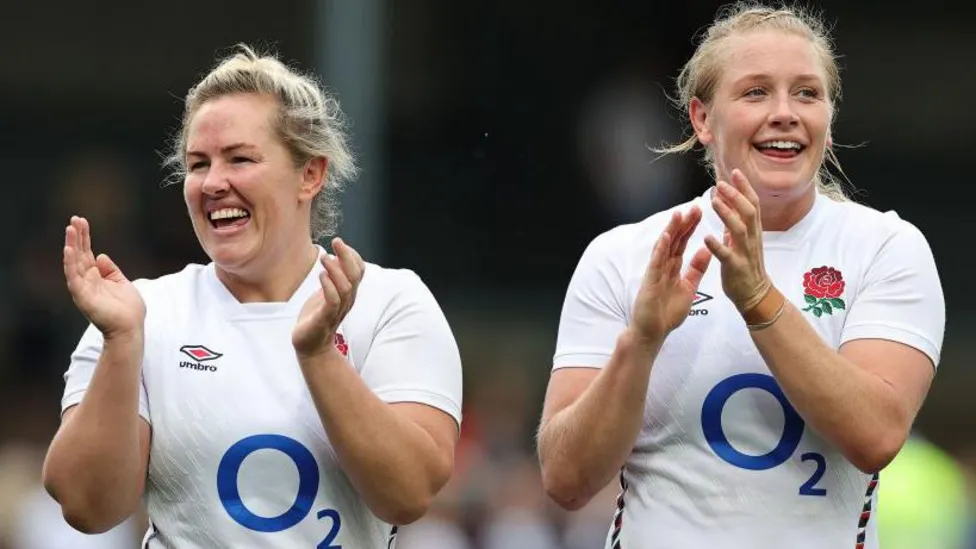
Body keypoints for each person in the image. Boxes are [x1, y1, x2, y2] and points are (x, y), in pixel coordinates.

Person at [536, 3, 945, 548]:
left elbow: (876, 434)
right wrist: (641, 343)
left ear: (828, 115)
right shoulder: (624, 255)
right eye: (756, 92)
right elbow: (565, 479)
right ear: (702, 119)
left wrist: (759, 300)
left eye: (807, 93)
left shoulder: (886, 248)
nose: (785, 112)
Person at [41, 44, 463, 548]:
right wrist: (121, 344)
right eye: (198, 164)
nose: (214, 182)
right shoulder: (140, 313)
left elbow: (408, 494)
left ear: (310, 174)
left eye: (240, 159)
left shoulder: (390, 302)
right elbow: (88, 507)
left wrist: (318, 353)